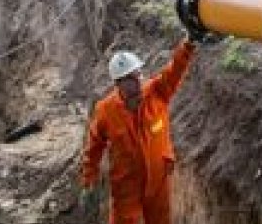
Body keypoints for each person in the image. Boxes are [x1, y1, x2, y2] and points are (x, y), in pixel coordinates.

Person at [79, 34, 202, 224]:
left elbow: (176, 70)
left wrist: (189, 44)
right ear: (118, 83)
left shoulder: (157, 92)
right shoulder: (105, 110)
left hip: (158, 179)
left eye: (138, 74)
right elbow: (94, 145)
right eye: (130, 78)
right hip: (126, 184)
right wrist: (89, 177)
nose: (137, 80)